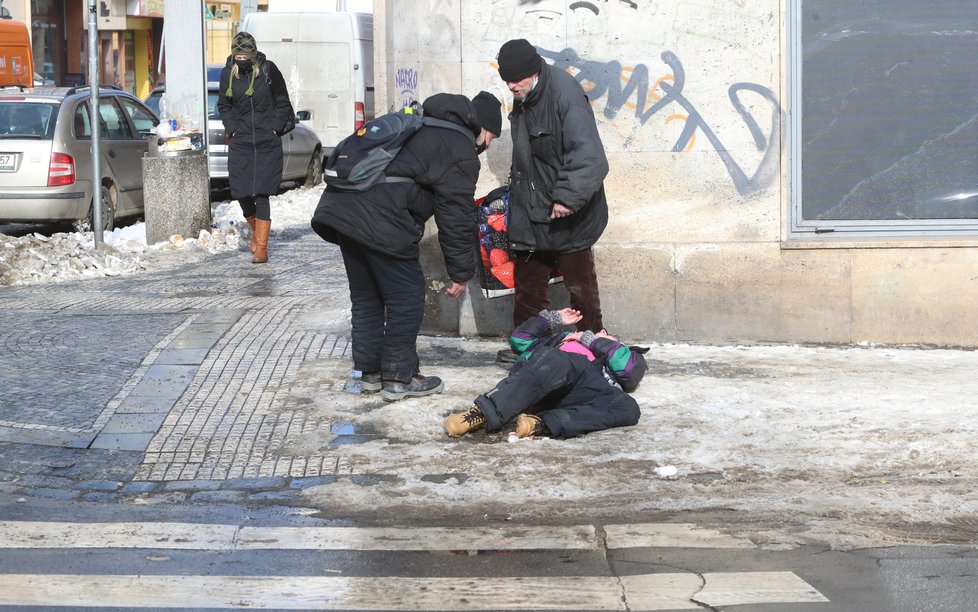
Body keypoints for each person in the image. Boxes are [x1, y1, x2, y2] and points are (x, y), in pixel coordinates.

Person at [311, 91, 503, 402]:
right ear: (480, 126)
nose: (488, 145)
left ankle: (371, 373)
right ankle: (400, 377)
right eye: (491, 136)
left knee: (367, 297)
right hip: (380, 218)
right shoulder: (459, 147)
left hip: (342, 212)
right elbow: (455, 216)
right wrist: (460, 271)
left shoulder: (421, 124)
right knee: (407, 298)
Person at [495, 38, 611, 361]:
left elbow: (591, 158)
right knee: (529, 286)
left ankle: (593, 347)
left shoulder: (565, 93)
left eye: (515, 79)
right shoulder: (524, 95)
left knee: (580, 286)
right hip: (533, 212)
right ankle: (527, 349)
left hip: (568, 214)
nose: (510, 85)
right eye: (506, 79)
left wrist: (567, 199)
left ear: (533, 71)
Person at [444, 307, 647, 439]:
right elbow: (519, 340)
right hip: (544, 376)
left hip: (582, 389)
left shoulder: (611, 362)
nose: (601, 333)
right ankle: (482, 413)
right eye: (599, 333)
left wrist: (592, 341)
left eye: (608, 336)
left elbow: (628, 370)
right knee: (560, 360)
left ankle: (541, 424)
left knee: (628, 407)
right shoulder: (559, 342)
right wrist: (553, 319)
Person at [217, 31, 295, 264]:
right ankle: (256, 233)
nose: (241, 60)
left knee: (261, 193)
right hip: (241, 141)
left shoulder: (269, 70)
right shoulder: (226, 75)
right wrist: (232, 128)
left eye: (245, 56)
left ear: (252, 54)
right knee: (241, 192)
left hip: (266, 141)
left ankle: (261, 247)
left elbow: (282, 102)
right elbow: (223, 105)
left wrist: (273, 127)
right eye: (237, 56)